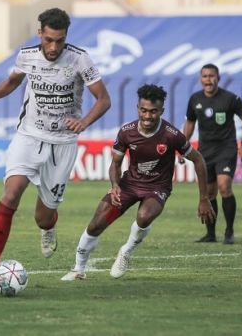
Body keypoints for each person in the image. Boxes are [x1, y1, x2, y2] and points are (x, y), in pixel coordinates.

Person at [0, 8, 111, 297]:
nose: (54, 47)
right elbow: (12, 82)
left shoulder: (80, 59)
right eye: (49, 40)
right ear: (40, 33)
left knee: (43, 217)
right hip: (28, 136)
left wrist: (84, 122)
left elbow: (103, 100)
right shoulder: (27, 55)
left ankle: (48, 227)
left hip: (62, 143)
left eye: (60, 41)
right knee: (10, 195)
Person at [61, 84, 215, 281]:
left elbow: (199, 160)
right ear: (138, 108)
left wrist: (204, 199)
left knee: (143, 216)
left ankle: (126, 250)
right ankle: (78, 270)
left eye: (153, 112)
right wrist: (115, 185)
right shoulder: (127, 132)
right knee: (96, 224)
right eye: (143, 110)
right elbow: (115, 165)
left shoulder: (171, 135)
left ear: (161, 111)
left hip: (157, 188)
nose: (148, 116)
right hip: (129, 184)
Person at [181, 63, 242, 244]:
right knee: (209, 193)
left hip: (226, 149)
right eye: (205, 76)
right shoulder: (195, 99)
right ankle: (210, 234)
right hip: (205, 151)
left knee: (224, 186)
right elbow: (190, 123)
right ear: (200, 79)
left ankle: (229, 231)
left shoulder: (229, 98)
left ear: (218, 78)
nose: (208, 80)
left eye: (212, 76)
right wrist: (182, 146)